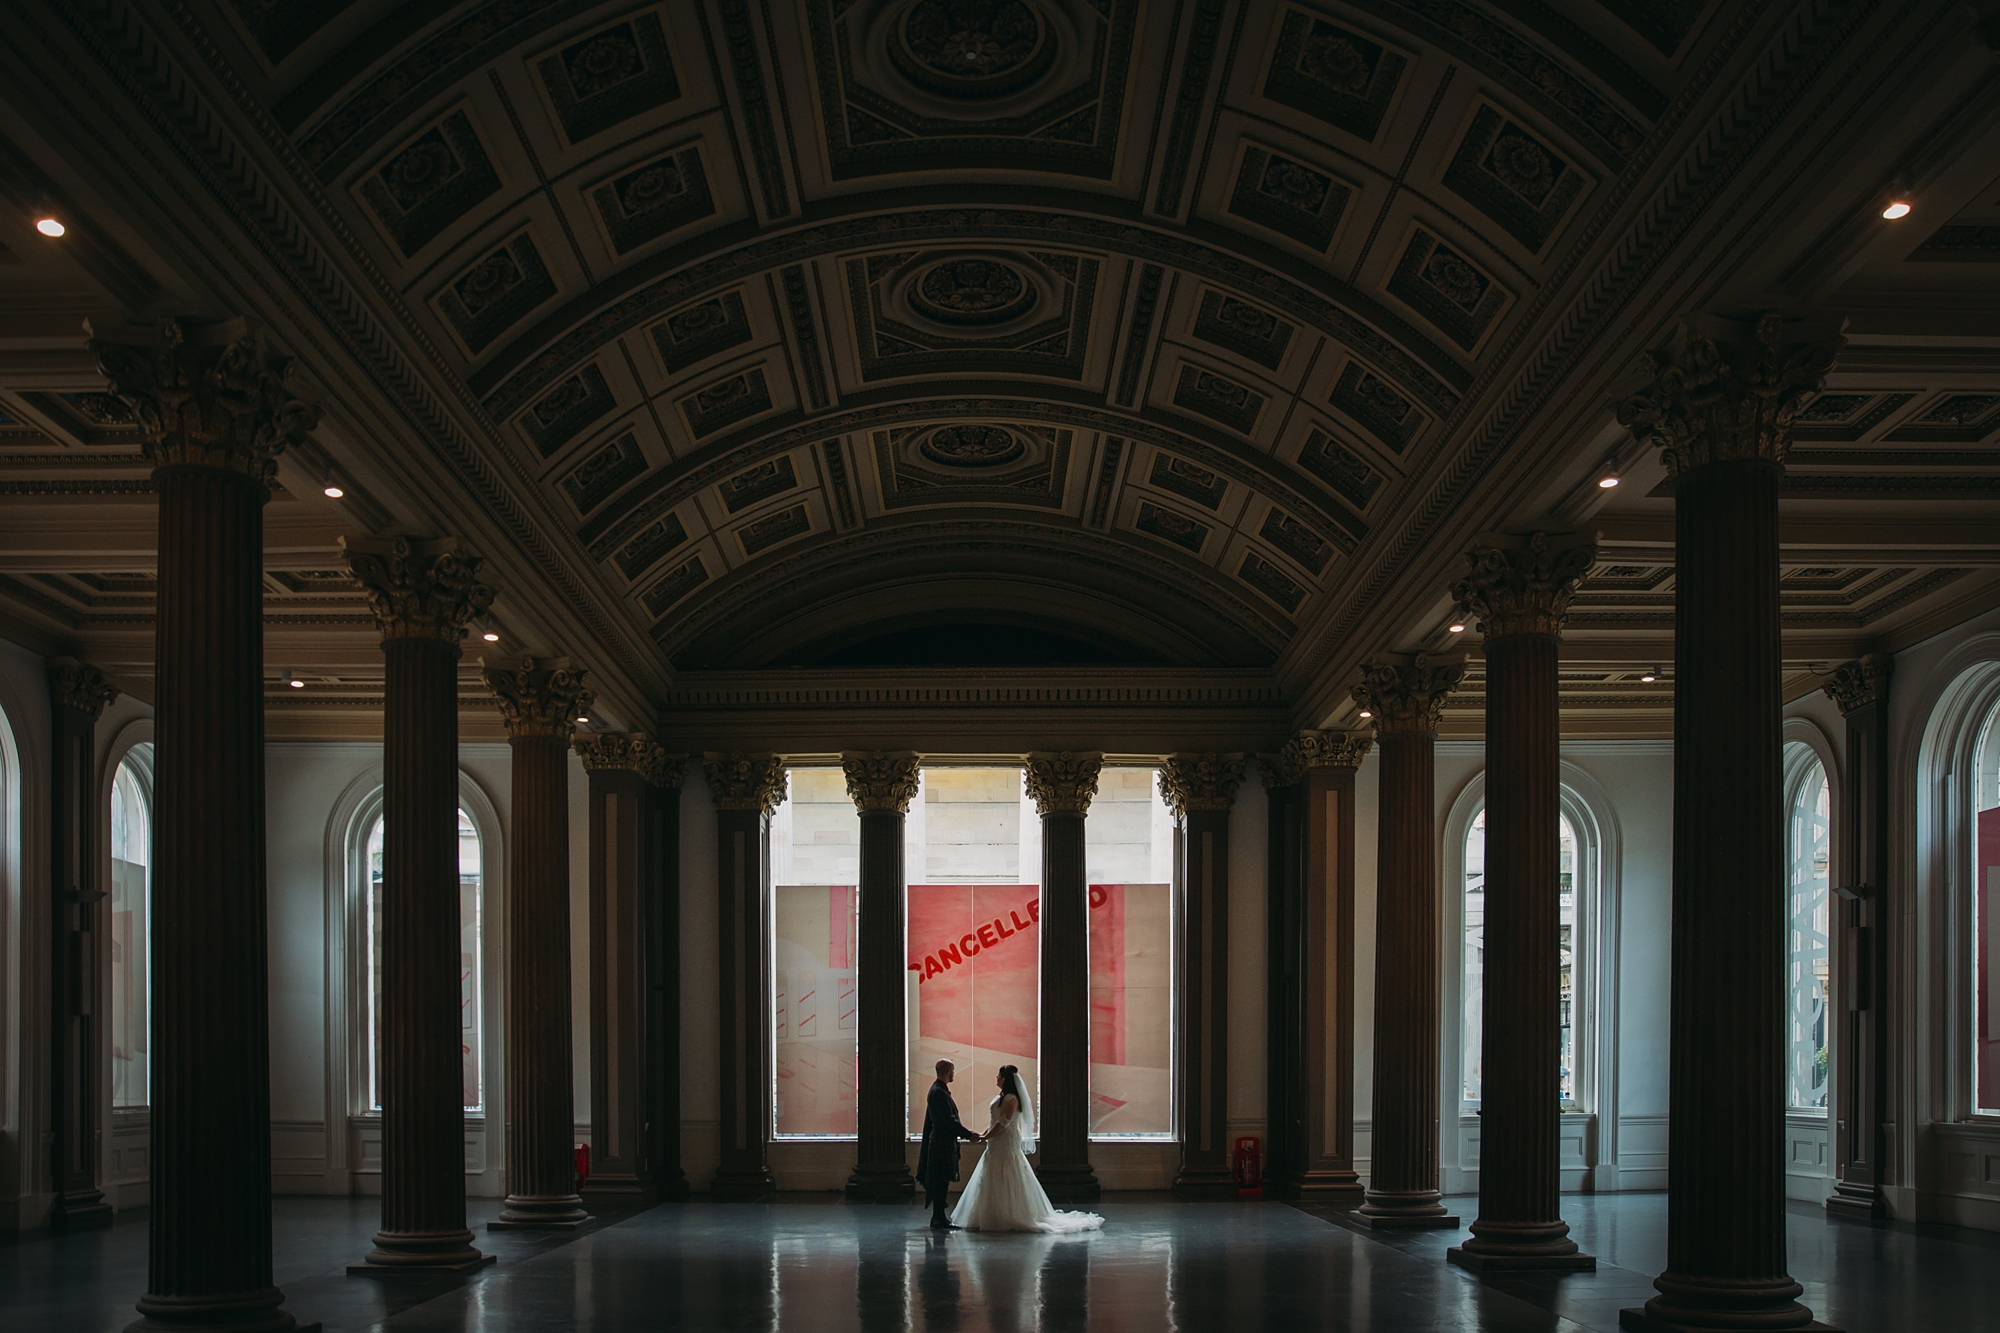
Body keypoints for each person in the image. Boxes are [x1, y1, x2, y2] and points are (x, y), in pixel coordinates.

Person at [950, 1065, 1104, 1233]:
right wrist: (984, 1134)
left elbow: (1003, 1123)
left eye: (999, 1076)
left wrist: (986, 1137)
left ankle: (1011, 1214)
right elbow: (994, 1121)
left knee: (1008, 1170)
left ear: (1005, 1079)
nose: (996, 1078)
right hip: (995, 1142)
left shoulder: (1011, 1099)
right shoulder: (1001, 1097)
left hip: (1006, 1140)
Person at [917, 1058, 979, 1229]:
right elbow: (949, 1121)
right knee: (940, 1180)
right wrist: (969, 1135)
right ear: (948, 1071)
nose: (954, 1073)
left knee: (941, 1180)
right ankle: (938, 1218)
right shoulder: (939, 1092)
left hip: (941, 1141)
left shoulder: (938, 1090)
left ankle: (939, 1216)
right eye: (953, 1070)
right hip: (941, 1142)